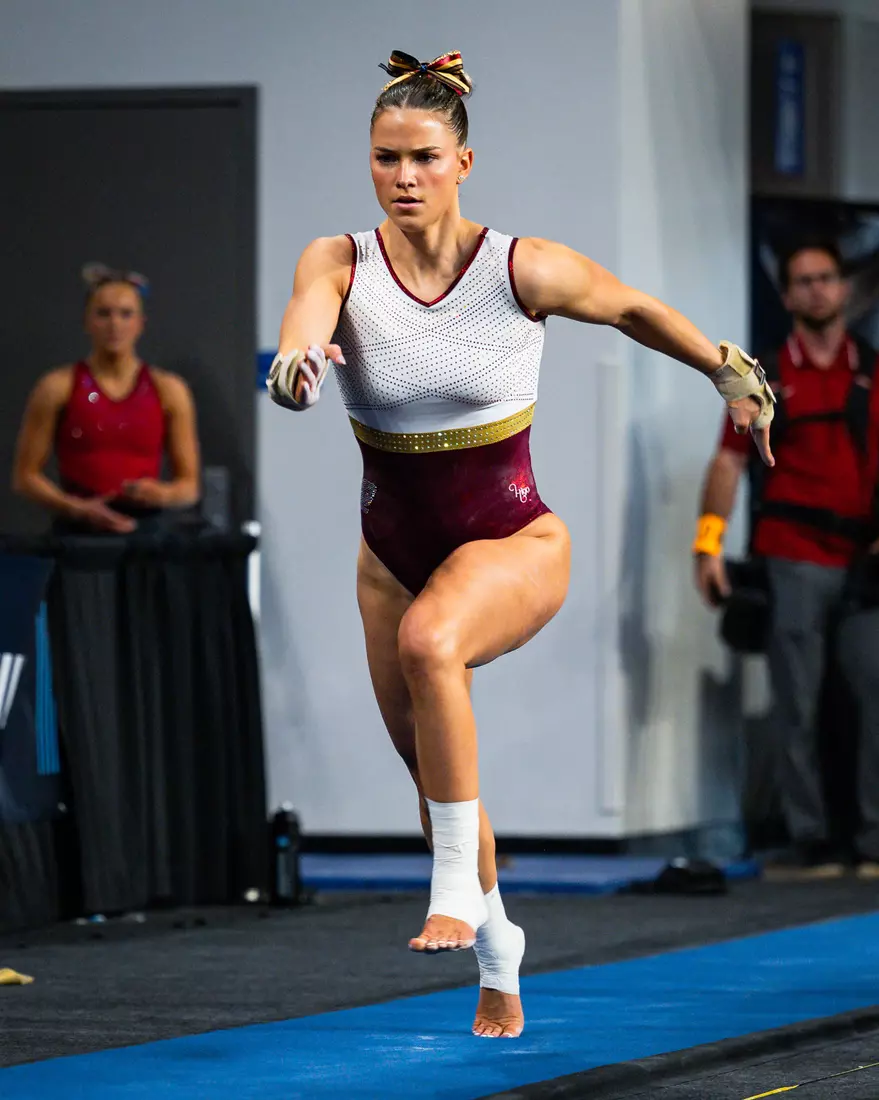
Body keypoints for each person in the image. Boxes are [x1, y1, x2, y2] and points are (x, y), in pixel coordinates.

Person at [267, 49, 774, 1038]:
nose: (402, 177)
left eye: (422, 157)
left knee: (431, 641)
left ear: (463, 160)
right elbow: (301, 330)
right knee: (434, 781)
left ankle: (451, 887)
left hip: (517, 541)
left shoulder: (517, 266)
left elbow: (628, 306)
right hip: (391, 559)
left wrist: (726, 366)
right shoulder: (338, 262)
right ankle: (500, 957)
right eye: (384, 159)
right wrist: (295, 369)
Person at [693, 240, 879, 880]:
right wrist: (708, 543)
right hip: (793, 556)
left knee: (872, 691)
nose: (816, 291)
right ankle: (813, 843)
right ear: (787, 295)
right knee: (796, 702)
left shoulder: (872, 370)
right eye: (803, 281)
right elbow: (728, 462)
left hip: (865, 565)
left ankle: (872, 841)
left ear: (844, 288)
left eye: (826, 278)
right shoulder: (765, 375)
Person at [12, 264, 200, 533]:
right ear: (87, 321)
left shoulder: (169, 390)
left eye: (125, 314)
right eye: (103, 314)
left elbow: (189, 487)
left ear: (140, 324)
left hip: (143, 536)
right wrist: (75, 508)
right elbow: (25, 477)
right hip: (77, 536)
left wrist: (162, 494)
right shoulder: (57, 387)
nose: (115, 324)